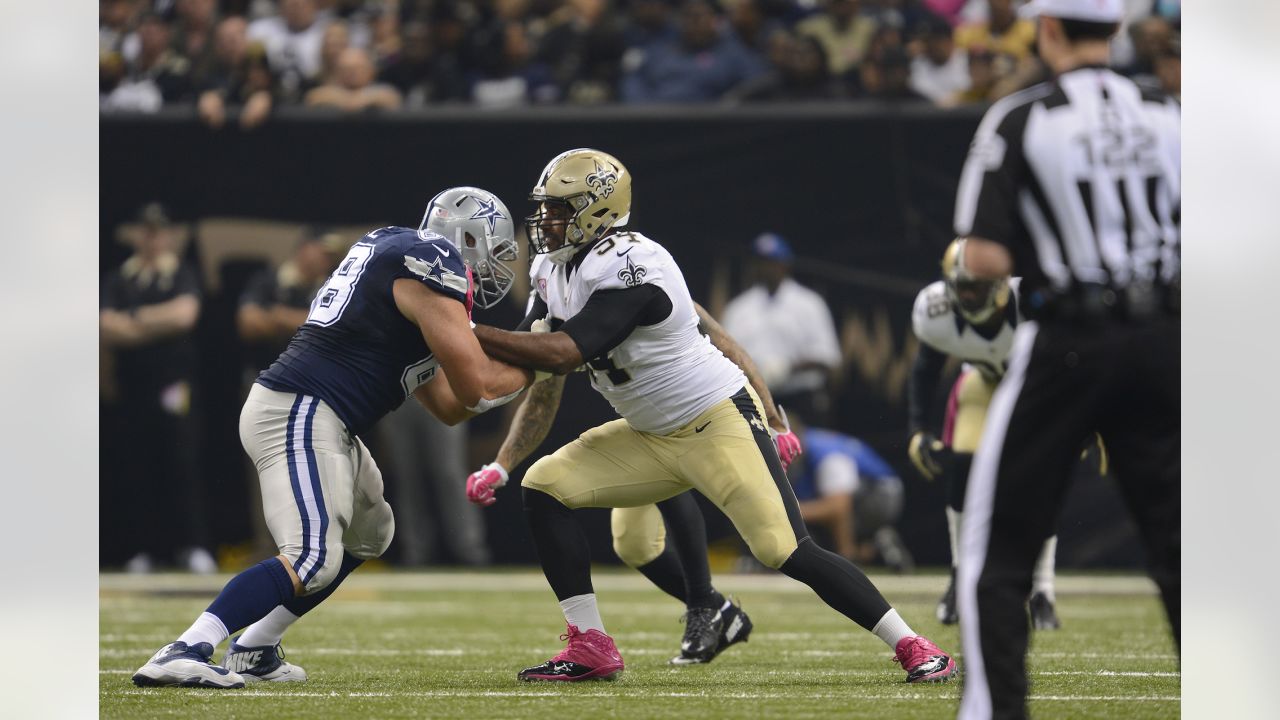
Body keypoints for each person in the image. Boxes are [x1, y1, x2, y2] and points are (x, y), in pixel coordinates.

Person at [468, 148, 957, 684]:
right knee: (544, 487)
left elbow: (564, 353)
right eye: (546, 209)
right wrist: (499, 446)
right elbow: (534, 365)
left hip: (715, 421)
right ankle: (591, 646)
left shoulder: (634, 265)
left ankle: (913, 644)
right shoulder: (550, 270)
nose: (547, 222)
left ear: (598, 210)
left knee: (783, 548)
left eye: (561, 209)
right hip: (647, 433)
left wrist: (461, 331)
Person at [132, 187, 536, 688]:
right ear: (466, 239)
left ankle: (255, 646)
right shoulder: (431, 262)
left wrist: (531, 366)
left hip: (323, 416)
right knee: (311, 556)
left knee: (372, 532)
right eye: (495, 253)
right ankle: (185, 647)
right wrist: (546, 357)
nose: (499, 269)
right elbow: (477, 386)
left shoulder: (411, 277)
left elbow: (452, 407)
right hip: (300, 408)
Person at [950, 1, 1180, 716]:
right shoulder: (1171, 112)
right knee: (1187, 545)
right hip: (1169, 337)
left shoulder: (1021, 117)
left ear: (1047, 29)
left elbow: (983, 260)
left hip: (1071, 341)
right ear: (1114, 31)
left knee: (996, 551)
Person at [466, 299, 802, 664]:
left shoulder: (636, 273)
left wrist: (774, 419)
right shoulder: (560, 289)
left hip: (693, 412)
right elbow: (542, 396)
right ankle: (719, 610)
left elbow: (723, 342)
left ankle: (705, 605)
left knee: (730, 515)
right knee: (634, 545)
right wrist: (502, 464)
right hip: (634, 421)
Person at [907, 240, 1060, 630]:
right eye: (962, 285)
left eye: (978, 286)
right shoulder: (937, 312)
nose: (969, 295)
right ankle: (961, 575)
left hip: (1037, 387)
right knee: (963, 463)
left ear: (1002, 285)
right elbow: (926, 368)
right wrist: (919, 428)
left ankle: (1042, 590)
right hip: (983, 380)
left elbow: (1074, 360)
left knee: (1039, 478)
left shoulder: (1034, 303)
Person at [100, 202, 213, 575]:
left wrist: (133, 321)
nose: (152, 238)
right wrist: (154, 322)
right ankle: (142, 549)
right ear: (138, 234)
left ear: (167, 236)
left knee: (180, 461)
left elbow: (184, 316)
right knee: (136, 465)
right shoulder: (121, 278)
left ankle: (192, 545)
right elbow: (104, 325)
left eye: (158, 231)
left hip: (173, 385)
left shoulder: (181, 273)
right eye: (146, 230)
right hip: (132, 386)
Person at [721, 232, 842, 424]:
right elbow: (723, 354)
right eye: (760, 262)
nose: (765, 268)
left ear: (784, 264)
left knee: (800, 451)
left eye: (771, 262)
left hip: (800, 398)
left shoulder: (809, 303)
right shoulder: (739, 308)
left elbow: (827, 356)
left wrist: (788, 367)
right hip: (753, 398)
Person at [787, 422, 914, 573]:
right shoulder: (810, 441)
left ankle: (849, 560)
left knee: (830, 510)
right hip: (873, 491)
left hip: (881, 494)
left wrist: (789, 512)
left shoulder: (826, 454)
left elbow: (838, 506)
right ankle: (876, 546)